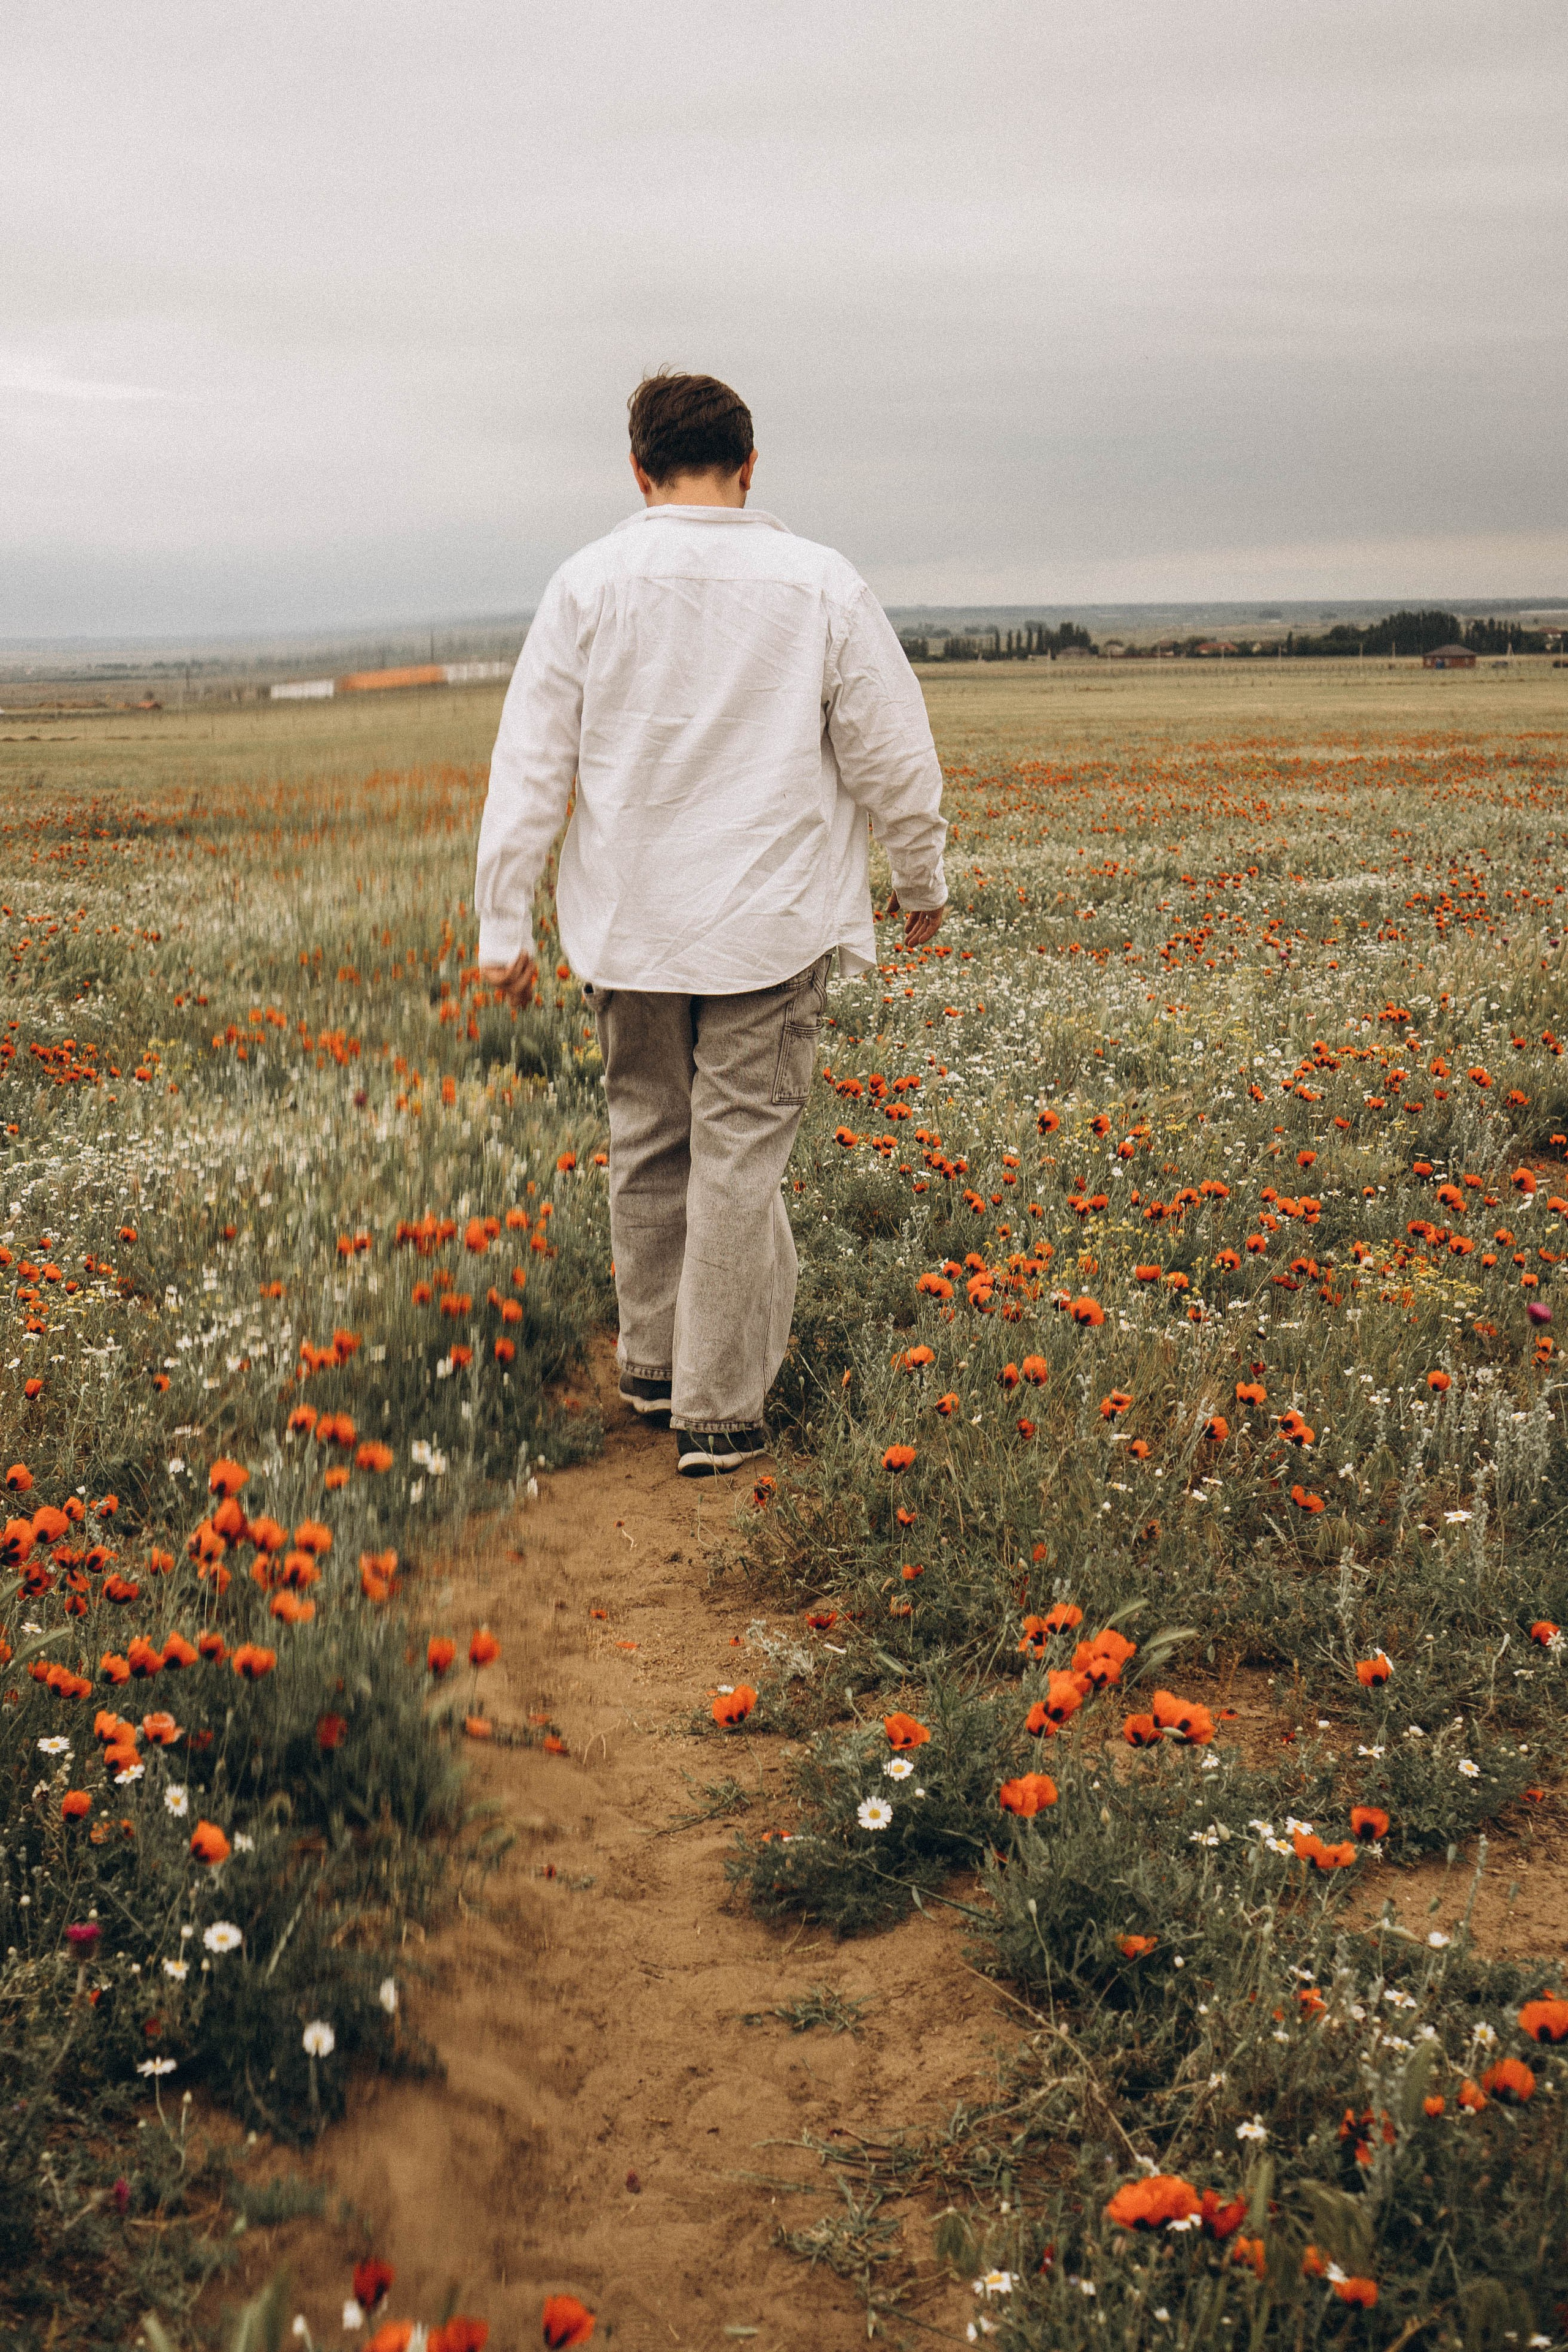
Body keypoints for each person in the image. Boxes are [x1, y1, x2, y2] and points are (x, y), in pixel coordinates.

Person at [475, 371, 947, 1476]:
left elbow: (530, 766)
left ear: (639, 470)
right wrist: (921, 877)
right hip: (768, 925)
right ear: (749, 465)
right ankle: (720, 1410)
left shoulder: (586, 585)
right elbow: (895, 753)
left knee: (647, 1131)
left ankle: (651, 1365)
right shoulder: (821, 584)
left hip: (627, 926)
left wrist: (504, 923)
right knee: (738, 1154)